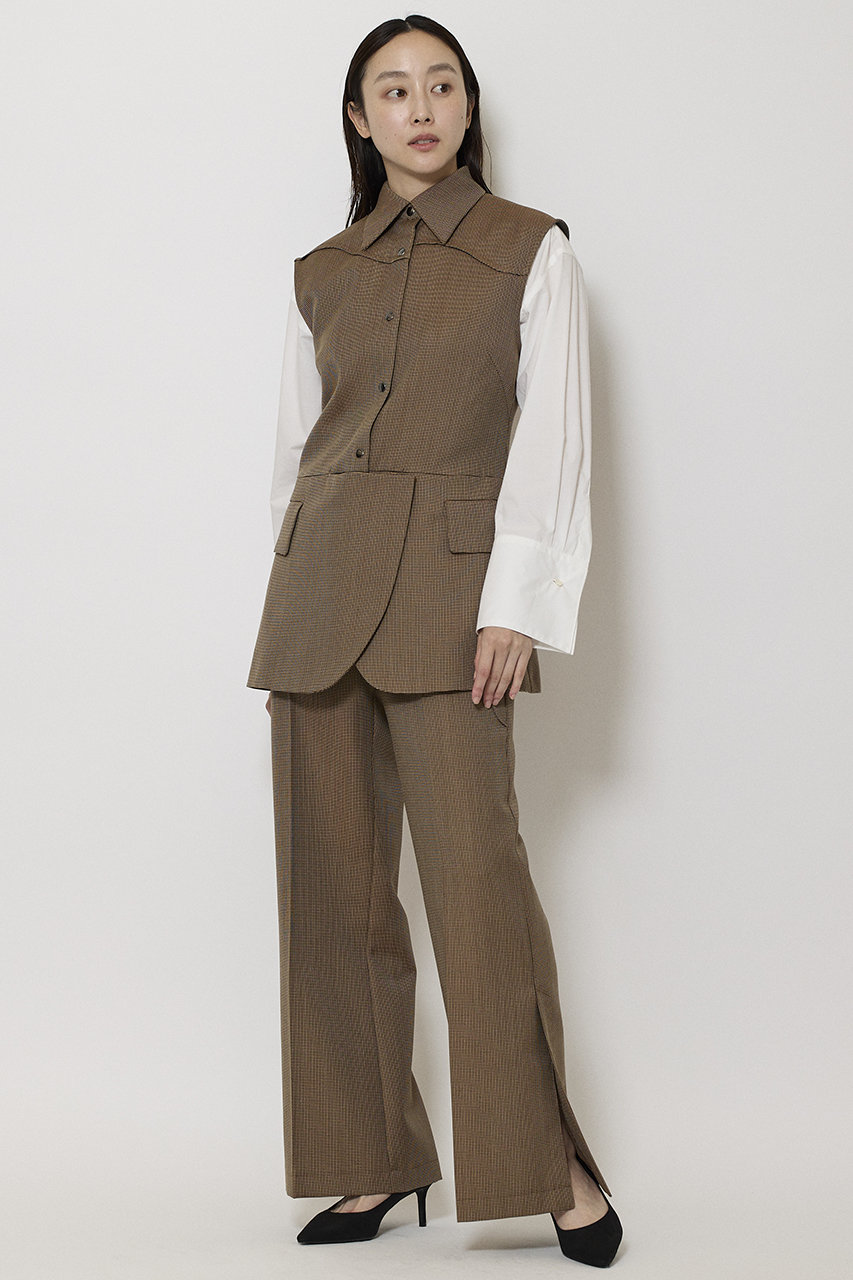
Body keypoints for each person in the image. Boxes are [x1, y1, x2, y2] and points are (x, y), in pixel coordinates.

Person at [247, 13, 623, 1268]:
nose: (420, 108)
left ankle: (550, 1167)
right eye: (393, 91)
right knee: (331, 898)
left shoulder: (531, 249)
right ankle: (375, 1160)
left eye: (441, 85)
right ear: (360, 120)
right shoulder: (320, 269)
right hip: (316, 603)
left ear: (467, 107)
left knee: (478, 892)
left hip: (459, 606)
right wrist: (287, 586)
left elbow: (553, 436)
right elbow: (296, 451)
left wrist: (517, 601)